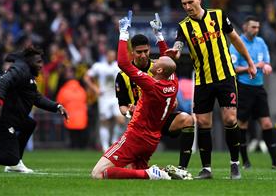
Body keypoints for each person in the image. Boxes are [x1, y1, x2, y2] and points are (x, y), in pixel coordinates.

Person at [166, 0, 257, 180]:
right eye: (184, 4)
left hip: (225, 76)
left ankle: (234, 164)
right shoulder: (183, 26)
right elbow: (179, 44)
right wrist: (175, 51)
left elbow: (235, 38)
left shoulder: (218, 16)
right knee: (203, 122)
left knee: (231, 119)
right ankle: (206, 168)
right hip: (203, 80)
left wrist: (249, 61)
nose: (188, 6)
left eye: (190, 2)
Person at [92, 11, 192, 180]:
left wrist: (123, 33)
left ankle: (149, 173)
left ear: (159, 70)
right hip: (153, 137)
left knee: (98, 174)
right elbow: (168, 60)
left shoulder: (151, 84)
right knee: (133, 170)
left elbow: (123, 63)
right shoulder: (173, 81)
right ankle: (164, 172)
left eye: (157, 60)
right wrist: (159, 36)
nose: (152, 58)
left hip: (137, 135)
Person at [0, 46, 69, 173]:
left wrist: (57, 106)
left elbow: (36, 98)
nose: (41, 65)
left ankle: (15, 164)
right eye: (38, 62)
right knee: (10, 157)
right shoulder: (20, 69)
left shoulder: (27, 75)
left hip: (8, 114)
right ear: (29, 61)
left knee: (29, 124)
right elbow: (2, 83)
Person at [115, 13, 195, 170]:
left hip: (161, 117)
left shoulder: (158, 67)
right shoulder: (123, 76)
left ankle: (182, 169)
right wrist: (130, 112)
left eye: (146, 51)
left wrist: (159, 35)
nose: (144, 55)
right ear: (132, 52)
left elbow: (169, 63)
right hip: (141, 121)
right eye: (139, 52)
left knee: (188, 120)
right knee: (135, 169)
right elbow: (122, 106)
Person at [230, 15, 276, 170]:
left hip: (259, 88)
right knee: (242, 124)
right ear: (245, 27)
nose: (256, 30)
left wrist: (266, 66)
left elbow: (266, 62)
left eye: (257, 27)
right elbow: (233, 68)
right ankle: (244, 161)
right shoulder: (237, 44)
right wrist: (253, 66)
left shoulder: (261, 42)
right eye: (253, 27)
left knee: (266, 123)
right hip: (244, 88)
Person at [83, 49, 125, 152]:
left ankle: (114, 141)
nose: (112, 57)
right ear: (106, 56)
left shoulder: (118, 66)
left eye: (113, 56)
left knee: (120, 120)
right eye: (110, 55)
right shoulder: (99, 66)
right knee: (104, 121)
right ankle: (105, 147)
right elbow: (86, 77)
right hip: (104, 97)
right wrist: (95, 89)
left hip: (116, 97)